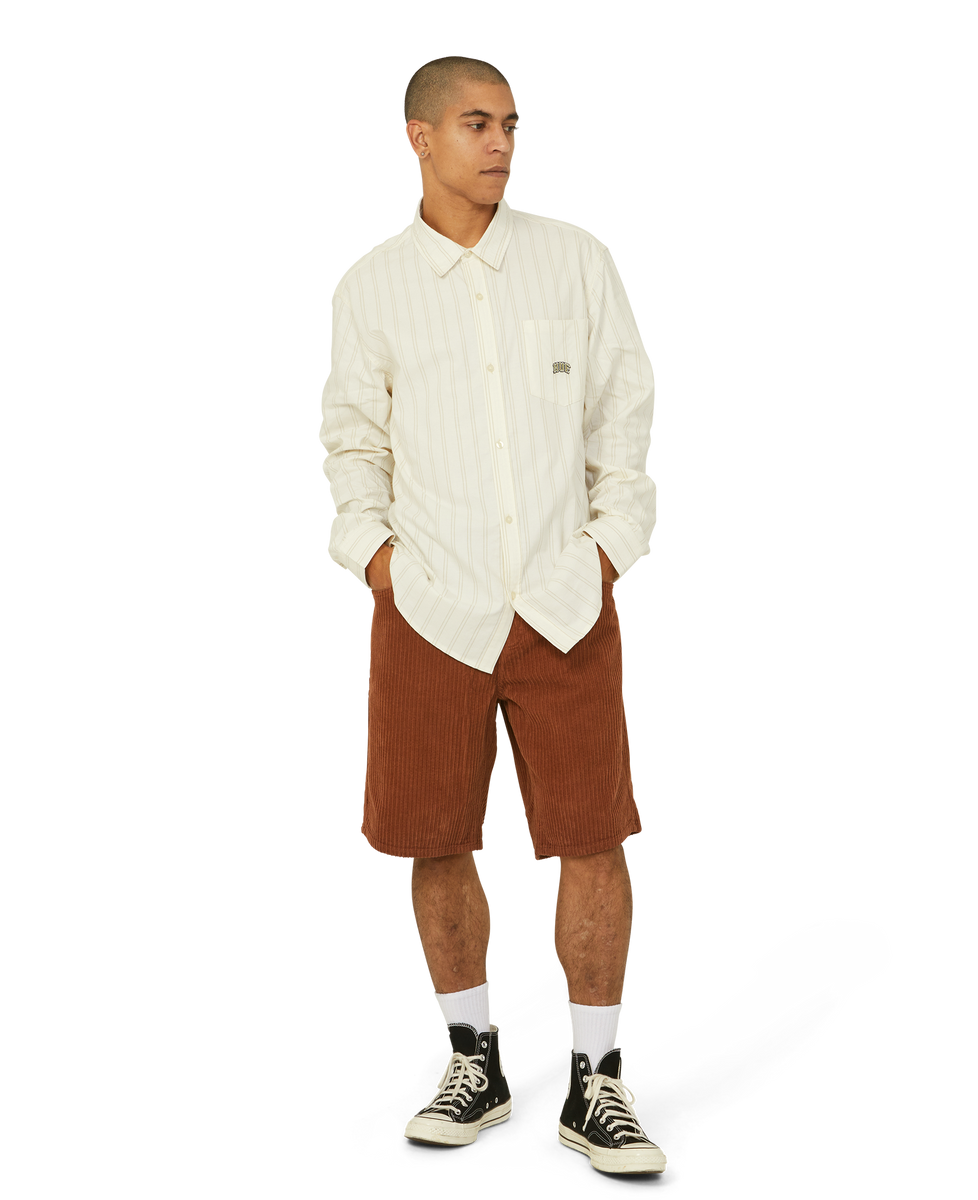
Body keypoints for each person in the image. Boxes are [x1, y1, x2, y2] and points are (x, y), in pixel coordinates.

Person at [316, 53, 665, 1173]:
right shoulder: (369, 285)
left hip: (567, 602)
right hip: (428, 606)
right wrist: (378, 562)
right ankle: (474, 1057)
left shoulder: (577, 258)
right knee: (432, 836)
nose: (501, 143)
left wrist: (607, 551)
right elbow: (349, 441)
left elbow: (627, 414)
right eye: (476, 124)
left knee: (594, 837)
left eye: (511, 123)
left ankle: (597, 1080)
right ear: (418, 138)